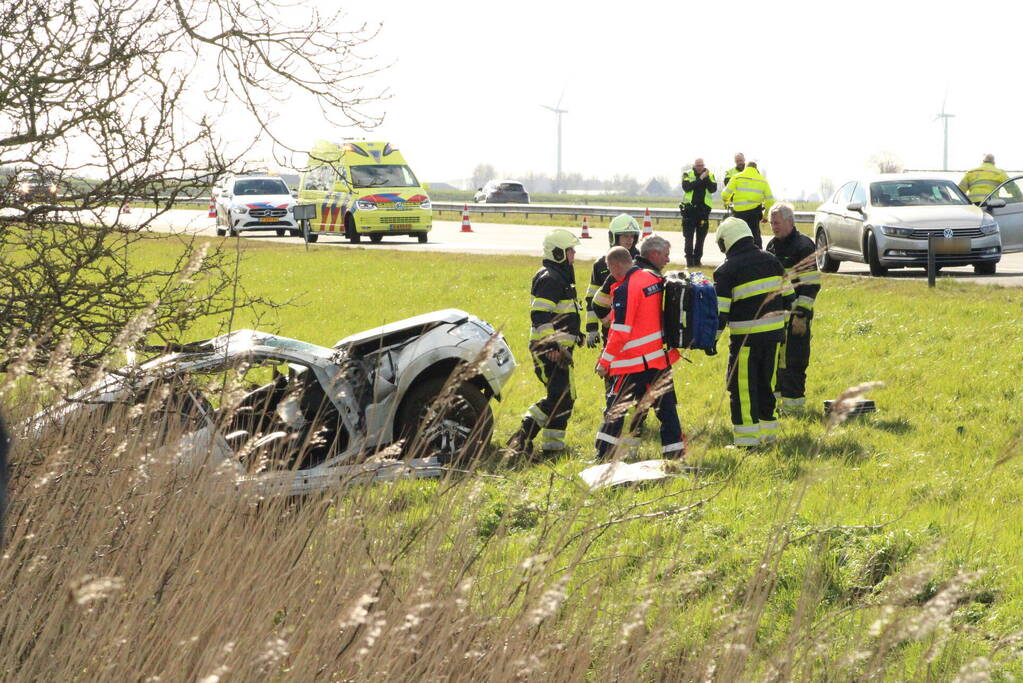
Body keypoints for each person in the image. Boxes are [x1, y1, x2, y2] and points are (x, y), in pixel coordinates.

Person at [593, 236, 686, 460]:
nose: (609, 273)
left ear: (615, 265)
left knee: (615, 410)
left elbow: (621, 332)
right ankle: (674, 458)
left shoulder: (626, 288)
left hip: (631, 362)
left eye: (609, 269)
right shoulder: (652, 278)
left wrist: (604, 363)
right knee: (667, 411)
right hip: (658, 359)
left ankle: (603, 458)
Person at [507, 229, 583, 459]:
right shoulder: (550, 277)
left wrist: (576, 334)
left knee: (563, 398)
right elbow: (540, 315)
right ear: (559, 253)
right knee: (559, 396)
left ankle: (553, 449)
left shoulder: (560, 276)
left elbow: (564, 313)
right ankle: (522, 436)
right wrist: (551, 347)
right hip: (549, 351)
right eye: (570, 251)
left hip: (560, 349)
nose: (574, 255)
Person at [713, 217, 787, 447]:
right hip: (775, 336)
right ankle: (768, 435)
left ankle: (747, 442)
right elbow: (790, 297)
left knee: (743, 388)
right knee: (766, 384)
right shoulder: (772, 260)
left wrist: (710, 341)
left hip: (746, 340)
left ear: (726, 242)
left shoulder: (726, 271)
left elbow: (720, 313)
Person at [766, 203, 821, 413]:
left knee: (794, 360)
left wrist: (801, 316)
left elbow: (811, 285)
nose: (773, 227)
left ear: (790, 222)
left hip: (797, 315)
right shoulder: (771, 246)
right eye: (771, 223)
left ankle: (794, 406)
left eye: (777, 223)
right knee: (777, 360)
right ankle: (780, 403)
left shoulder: (803, 246)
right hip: (777, 315)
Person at [584, 213, 641, 348]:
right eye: (625, 236)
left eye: (632, 236)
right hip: (611, 326)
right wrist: (592, 328)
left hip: (637, 326)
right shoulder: (601, 265)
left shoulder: (641, 262)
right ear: (614, 237)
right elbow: (591, 298)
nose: (630, 240)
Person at [722, 160, 774, 249]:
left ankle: (738, 258)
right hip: (754, 213)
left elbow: (724, 194)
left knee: (738, 237)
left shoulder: (737, 177)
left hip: (739, 213)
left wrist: (727, 202)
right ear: (756, 169)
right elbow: (770, 201)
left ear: (745, 168)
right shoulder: (762, 180)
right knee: (755, 236)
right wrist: (765, 216)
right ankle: (758, 258)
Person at [679, 158, 717, 267]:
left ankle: (697, 260)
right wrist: (701, 178)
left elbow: (713, 189)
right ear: (694, 165)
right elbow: (687, 188)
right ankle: (689, 262)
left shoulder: (710, 175)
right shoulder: (687, 174)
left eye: (701, 165)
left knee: (701, 238)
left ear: (704, 165)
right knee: (688, 237)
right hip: (689, 211)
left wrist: (706, 178)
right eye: (697, 165)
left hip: (703, 211)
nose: (700, 167)